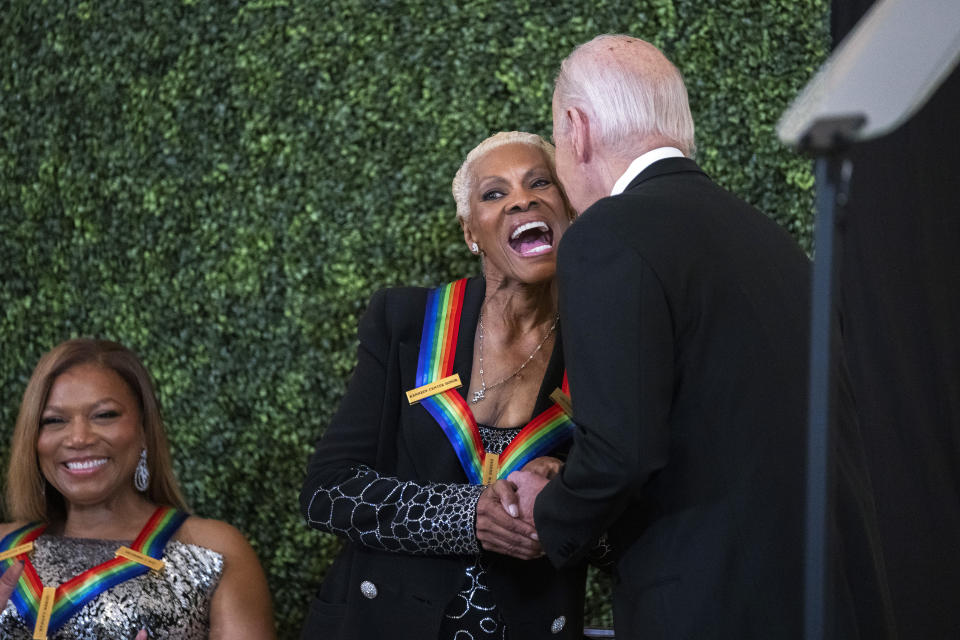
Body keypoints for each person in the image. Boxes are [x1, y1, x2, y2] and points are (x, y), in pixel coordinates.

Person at [509, 34, 896, 639]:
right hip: (826, 600)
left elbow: (621, 452)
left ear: (576, 128)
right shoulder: (768, 239)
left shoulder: (608, 233)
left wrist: (548, 509)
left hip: (712, 607)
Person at [299, 131, 587, 639]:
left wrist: (567, 496)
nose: (523, 198)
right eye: (494, 193)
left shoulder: (601, 344)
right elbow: (327, 491)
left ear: (569, 211)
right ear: (470, 232)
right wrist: (464, 516)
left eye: (541, 182)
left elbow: (632, 518)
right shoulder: (407, 321)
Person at [0, 339, 276, 640]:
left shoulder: (215, 550)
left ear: (144, 429)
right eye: (54, 420)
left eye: (104, 415)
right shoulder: (5, 546)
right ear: (33, 439)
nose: (78, 438)